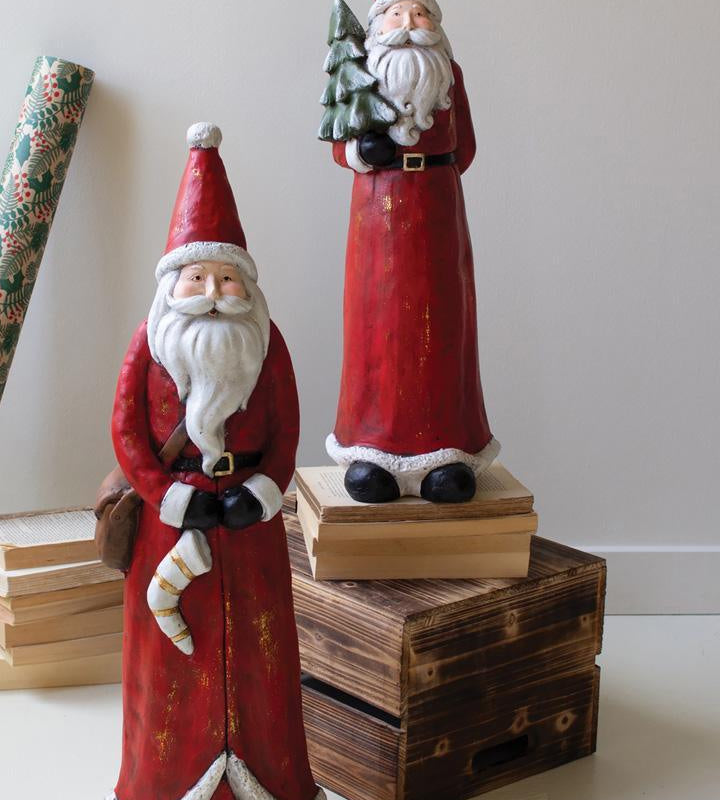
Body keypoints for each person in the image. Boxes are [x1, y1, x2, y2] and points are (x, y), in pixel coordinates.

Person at [108, 123, 324, 800]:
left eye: (226, 278)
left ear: (245, 286)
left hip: (249, 524)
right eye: (197, 276)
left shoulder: (266, 342)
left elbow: (287, 428)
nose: (211, 290)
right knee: (171, 657)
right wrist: (169, 496)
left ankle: (269, 776)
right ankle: (165, 780)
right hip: (169, 524)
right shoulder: (149, 344)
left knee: (262, 649)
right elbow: (126, 432)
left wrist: (263, 490)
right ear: (173, 284)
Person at [327, 0, 501, 503]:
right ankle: (373, 450)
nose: (408, 24)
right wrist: (362, 152)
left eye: (420, 13)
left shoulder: (449, 75)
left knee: (442, 324)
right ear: (378, 25)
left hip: (438, 211)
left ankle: (445, 453)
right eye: (397, 13)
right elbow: (339, 139)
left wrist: (432, 170)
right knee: (377, 327)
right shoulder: (362, 75)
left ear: (436, 25)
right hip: (376, 215)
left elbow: (465, 146)